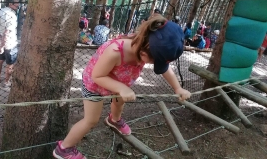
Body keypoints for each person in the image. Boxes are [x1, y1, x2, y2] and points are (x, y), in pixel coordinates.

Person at [52, 15, 191, 159]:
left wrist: (177, 88)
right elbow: (97, 76)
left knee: (119, 103)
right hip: (95, 84)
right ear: (144, 52)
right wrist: (121, 88)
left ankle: (114, 119)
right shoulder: (115, 52)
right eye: (153, 62)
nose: (152, 65)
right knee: (91, 120)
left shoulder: (144, 43)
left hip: (119, 83)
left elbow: (165, 69)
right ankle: (64, 149)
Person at [0, 0, 19, 85]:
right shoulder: (11, 15)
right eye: (17, 3)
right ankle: (7, 82)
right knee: (10, 63)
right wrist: (3, 45)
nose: (18, 5)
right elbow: (7, 32)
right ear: (10, 4)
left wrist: (0, 39)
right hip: (10, 43)